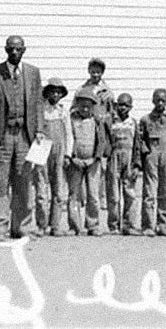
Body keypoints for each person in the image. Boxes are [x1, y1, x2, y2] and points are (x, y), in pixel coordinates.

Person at [0, 35, 46, 241]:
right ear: (5, 50)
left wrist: (40, 130)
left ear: (24, 50)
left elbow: (37, 104)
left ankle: (22, 226)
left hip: (25, 136)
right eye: (11, 49)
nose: (14, 53)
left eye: (18, 49)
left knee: (24, 180)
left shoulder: (33, 73)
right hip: (3, 134)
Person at [66, 91, 110, 236]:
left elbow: (102, 141)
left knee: (93, 194)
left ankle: (93, 224)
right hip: (76, 162)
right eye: (82, 106)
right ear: (77, 105)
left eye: (88, 106)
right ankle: (74, 226)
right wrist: (73, 157)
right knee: (74, 195)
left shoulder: (97, 121)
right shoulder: (72, 119)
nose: (85, 109)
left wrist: (95, 158)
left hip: (93, 162)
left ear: (92, 107)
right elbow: (69, 137)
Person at [138, 89, 166, 237]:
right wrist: (144, 153)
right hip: (152, 155)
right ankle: (148, 225)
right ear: (153, 101)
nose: (160, 103)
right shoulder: (146, 119)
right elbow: (140, 139)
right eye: (157, 100)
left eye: (163, 100)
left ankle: (163, 225)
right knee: (149, 191)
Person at [34, 77, 72, 237]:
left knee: (59, 190)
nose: (55, 94)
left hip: (59, 151)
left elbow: (69, 134)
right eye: (52, 91)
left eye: (58, 92)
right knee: (42, 190)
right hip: (42, 148)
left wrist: (68, 154)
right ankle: (41, 225)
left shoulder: (63, 111)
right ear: (47, 92)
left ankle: (55, 224)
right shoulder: (40, 110)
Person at [105, 93, 142, 236]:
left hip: (129, 158)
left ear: (131, 107)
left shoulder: (133, 122)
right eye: (121, 104)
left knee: (130, 193)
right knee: (113, 194)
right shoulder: (110, 122)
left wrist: (137, 164)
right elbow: (106, 141)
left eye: (126, 105)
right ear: (116, 105)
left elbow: (138, 144)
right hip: (114, 157)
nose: (123, 108)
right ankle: (113, 225)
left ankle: (129, 225)